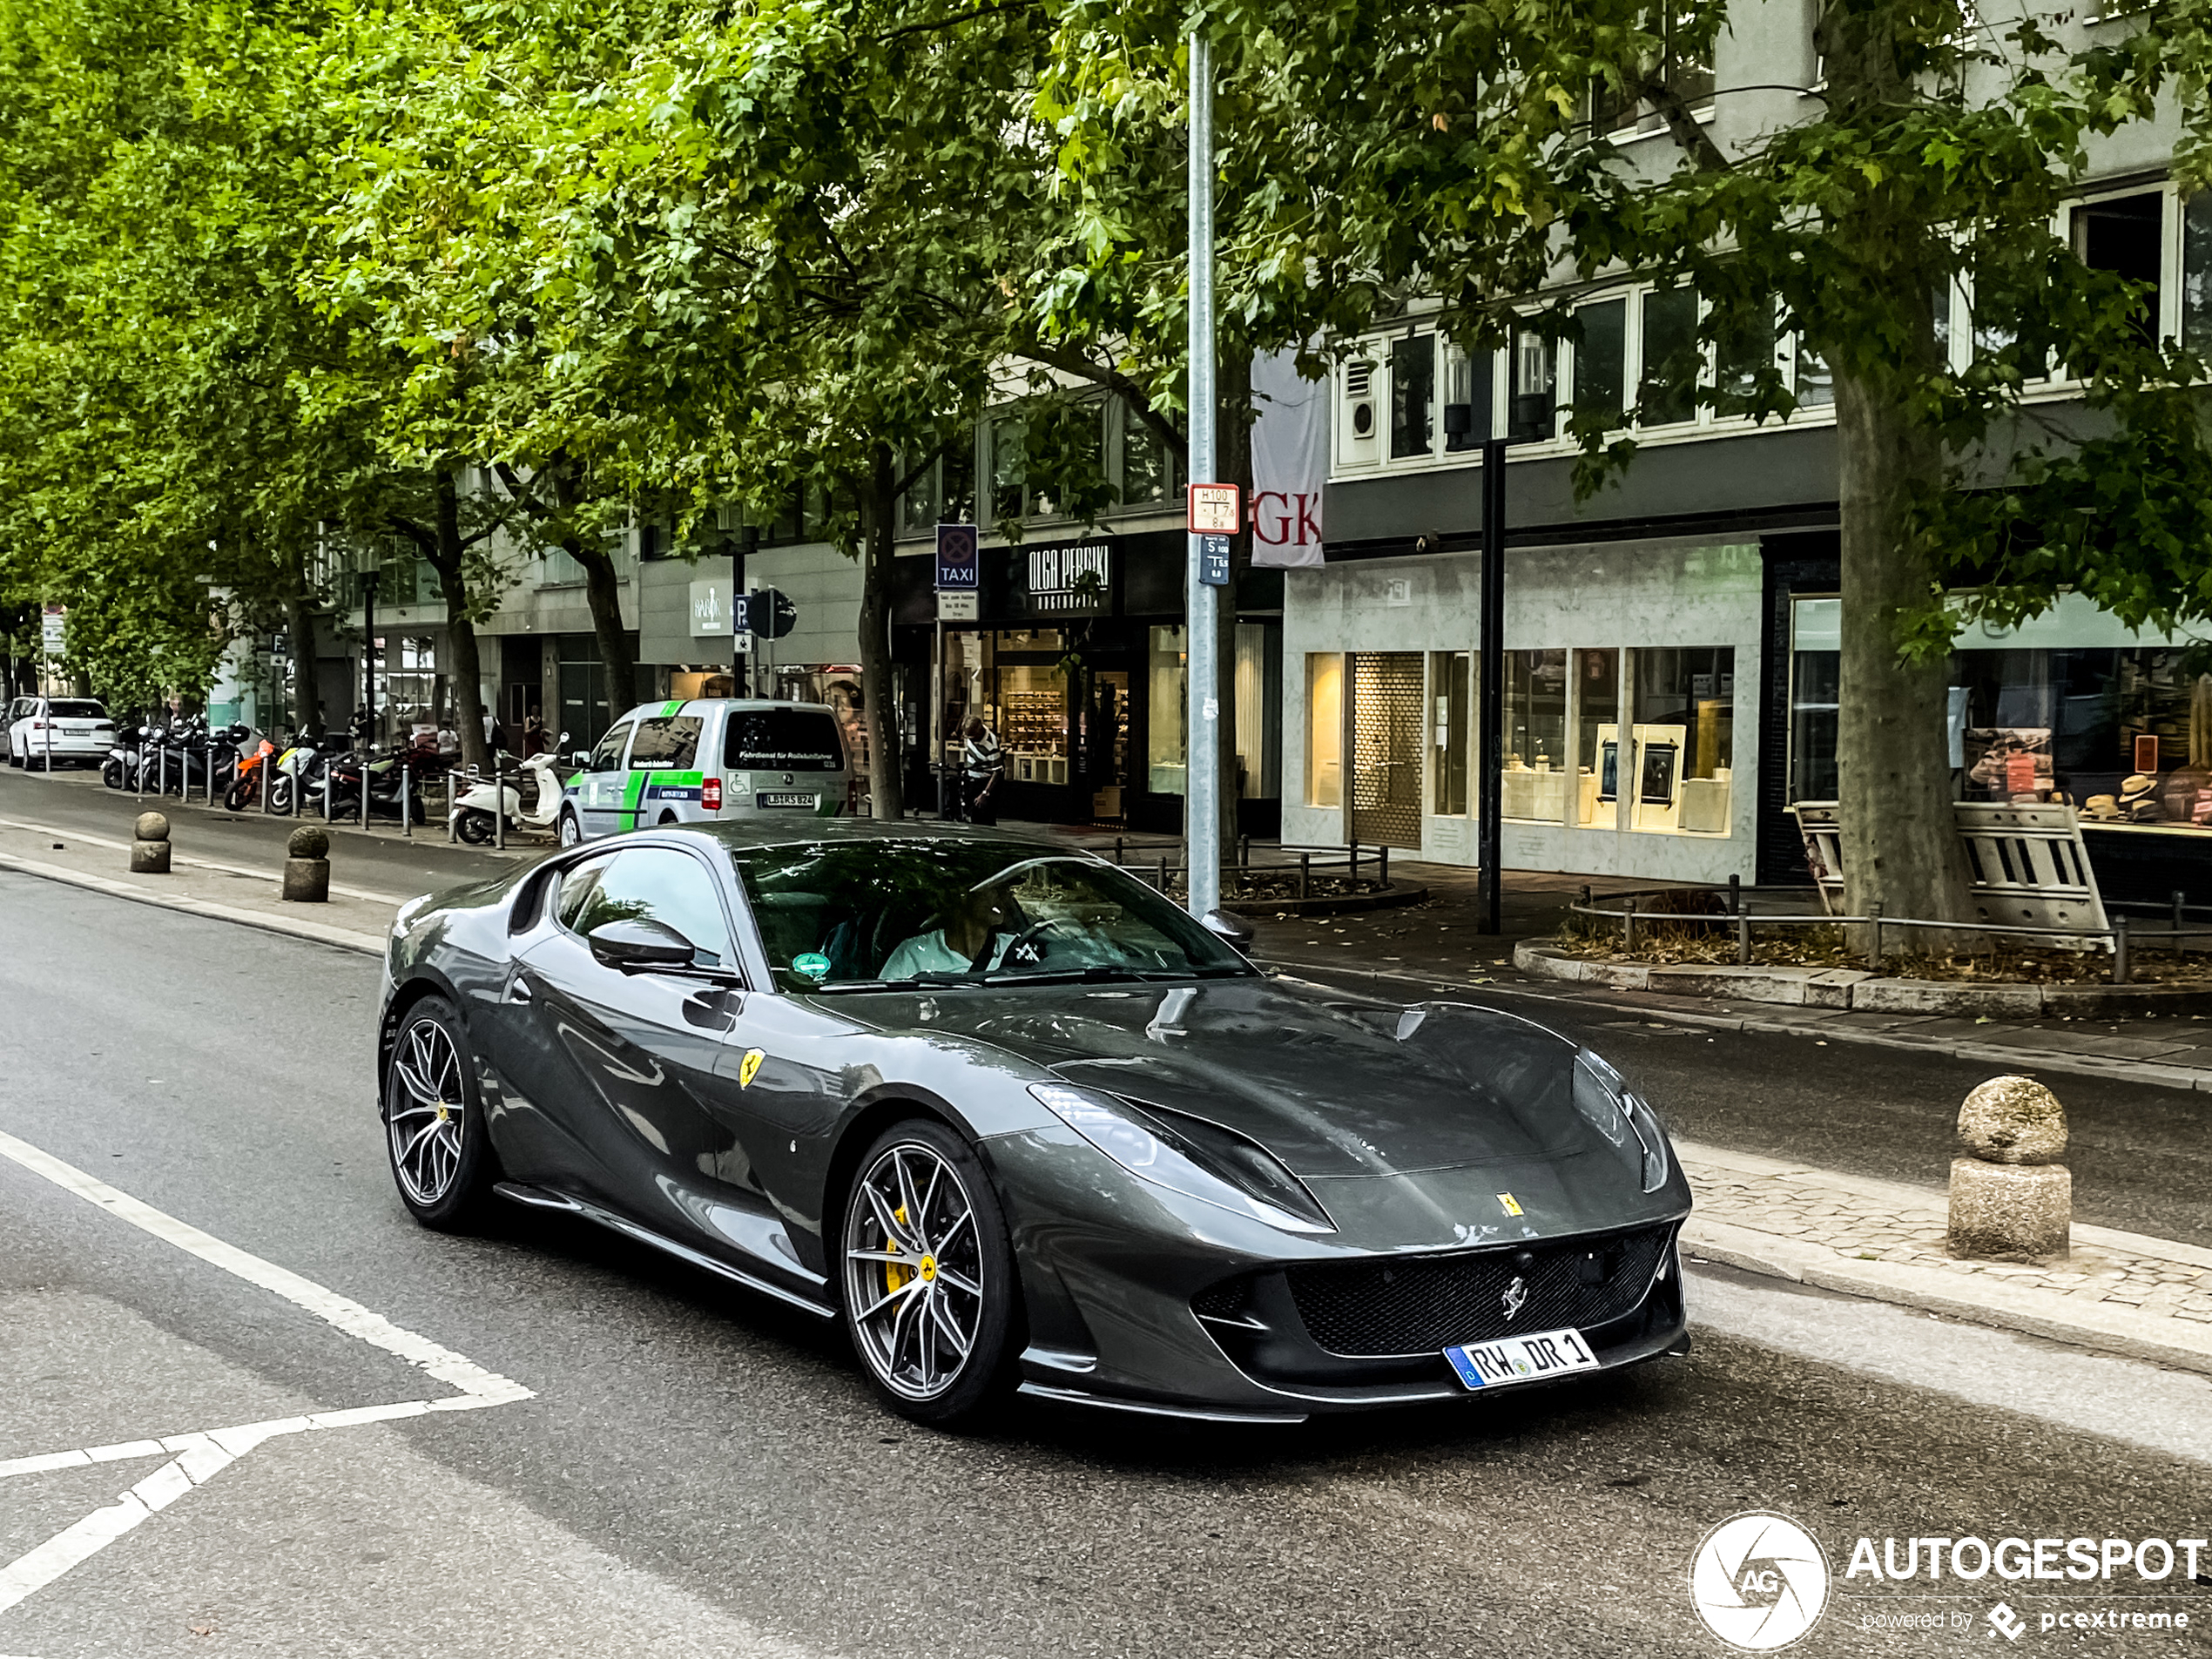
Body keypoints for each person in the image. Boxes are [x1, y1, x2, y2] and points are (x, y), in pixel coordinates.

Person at [879, 880, 1016, 981]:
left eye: (1005, 889)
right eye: (994, 888)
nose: (1005, 896)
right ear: (962, 896)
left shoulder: (1016, 948)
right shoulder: (913, 953)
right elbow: (883, 1006)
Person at [961, 717, 1003, 826]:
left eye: (973, 738)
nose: (971, 740)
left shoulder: (990, 744)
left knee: (984, 818)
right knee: (973, 815)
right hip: (972, 777)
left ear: (979, 732)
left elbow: (997, 771)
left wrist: (985, 793)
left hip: (984, 781)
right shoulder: (971, 731)